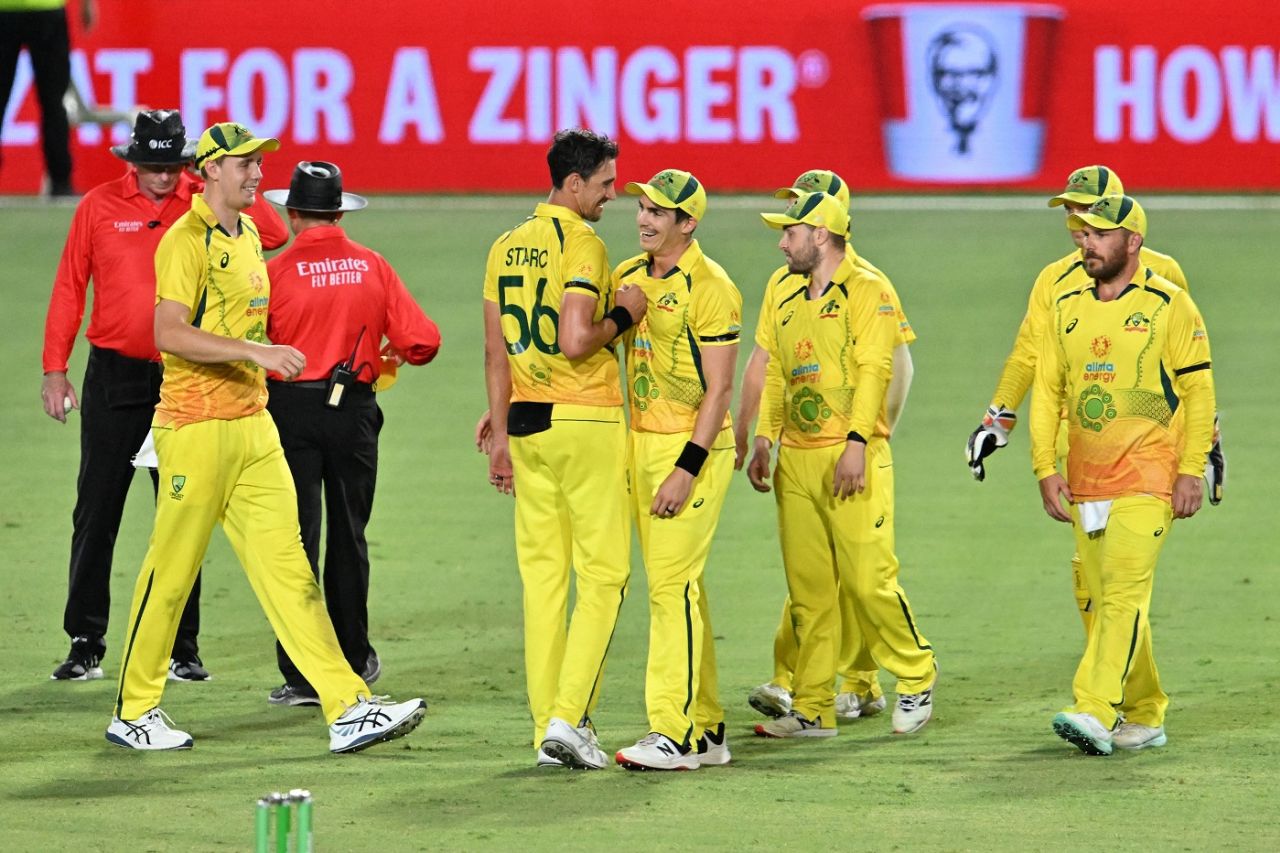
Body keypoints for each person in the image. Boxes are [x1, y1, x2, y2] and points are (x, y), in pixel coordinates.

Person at [105, 121, 425, 753]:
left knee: (290, 568)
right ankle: (135, 710)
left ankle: (347, 704)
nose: (258, 175)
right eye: (246, 165)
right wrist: (256, 349)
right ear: (211, 172)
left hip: (253, 427)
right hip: (195, 430)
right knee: (170, 574)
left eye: (258, 164)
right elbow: (168, 333)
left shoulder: (249, 232)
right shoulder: (185, 241)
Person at [964, 165, 1221, 638]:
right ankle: (1118, 687)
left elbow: (1188, 368)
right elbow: (1027, 356)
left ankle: (1107, 693)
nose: (1076, 222)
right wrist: (997, 418)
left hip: (1149, 442)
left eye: (1083, 209)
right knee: (1094, 576)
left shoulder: (1162, 273)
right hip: (1078, 437)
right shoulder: (1053, 281)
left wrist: (1204, 447)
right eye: (1068, 211)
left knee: (1118, 580)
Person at [481, 128, 645, 769]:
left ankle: (544, 728)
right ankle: (569, 719)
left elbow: (497, 353)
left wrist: (498, 434)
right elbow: (578, 338)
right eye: (605, 183)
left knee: (543, 583)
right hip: (586, 425)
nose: (614, 193)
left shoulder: (505, 245)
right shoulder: (582, 243)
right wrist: (625, 312)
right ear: (573, 183)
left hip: (526, 427)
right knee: (604, 577)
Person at [748, 192, 937, 738]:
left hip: (851, 455)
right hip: (798, 461)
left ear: (822, 235)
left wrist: (858, 441)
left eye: (792, 232)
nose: (782, 241)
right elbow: (779, 370)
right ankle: (812, 709)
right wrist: (765, 437)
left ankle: (917, 675)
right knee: (809, 591)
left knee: (868, 581)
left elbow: (877, 366)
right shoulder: (782, 288)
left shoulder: (868, 288)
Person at [41, 109, 220, 684]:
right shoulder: (97, 206)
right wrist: (54, 370)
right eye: (153, 165)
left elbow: (268, 231)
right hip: (113, 376)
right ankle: (85, 639)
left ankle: (181, 648)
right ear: (132, 160)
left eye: (173, 165)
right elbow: (71, 286)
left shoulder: (203, 201)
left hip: (182, 375)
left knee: (182, 510)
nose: (164, 178)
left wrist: (212, 179)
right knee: (97, 508)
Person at [1032, 195, 1214, 755]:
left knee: (1123, 594)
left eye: (1100, 235)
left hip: (1151, 477)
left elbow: (1199, 391)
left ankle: (1093, 707)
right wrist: (1044, 466)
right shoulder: (1066, 307)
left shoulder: (1169, 305)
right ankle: (1146, 712)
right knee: (1102, 598)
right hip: (1087, 480)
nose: (1087, 243)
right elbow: (1048, 392)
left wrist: (1191, 468)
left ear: (1132, 241)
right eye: (1082, 233)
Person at [261, 161, 441, 706]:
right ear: (340, 211)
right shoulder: (372, 266)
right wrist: (387, 353)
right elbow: (423, 341)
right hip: (352, 411)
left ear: (292, 213)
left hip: (287, 410)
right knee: (349, 535)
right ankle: (353, 658)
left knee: (293, 541)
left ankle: (300, 673)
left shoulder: (273, 272)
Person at [609, 170, 740, 771]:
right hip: (639, 445)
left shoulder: (711, 287)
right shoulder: (628, 277)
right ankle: (708, 730)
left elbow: (719, 391)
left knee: (671, 587)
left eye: (659, 212)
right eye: (641, 207)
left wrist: (687, 467)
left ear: (688, 223)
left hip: (692, 450)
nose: (643, 219)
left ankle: (675, 733)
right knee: (683, 587)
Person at [0, 0, 94, 195]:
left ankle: (60, 179)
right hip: (46, 10)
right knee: (54, 101)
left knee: (55, 102)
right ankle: (60, 182)